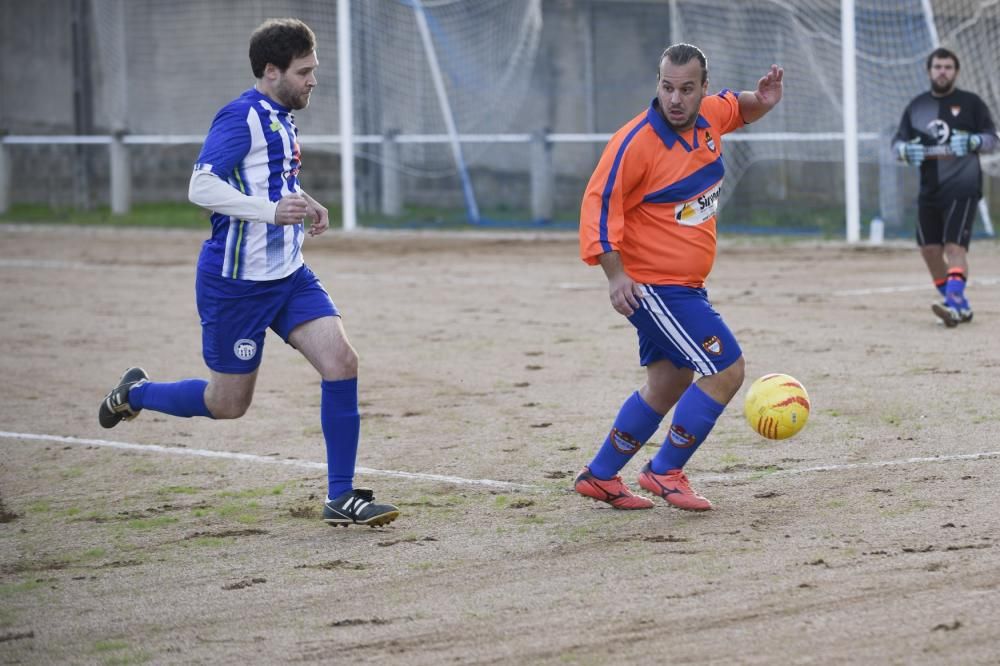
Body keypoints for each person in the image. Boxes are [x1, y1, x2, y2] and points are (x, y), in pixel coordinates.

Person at [97, 18, 399, 528]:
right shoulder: (240, 118)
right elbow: (201, 187)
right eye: (304, 72)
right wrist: (268, 211)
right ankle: (137, 392)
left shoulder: (282, 115)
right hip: (235, 284)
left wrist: (306, 202)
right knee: (227, 404)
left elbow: (272, 179)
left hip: (289, 275)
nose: (313, 81)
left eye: (314, 70)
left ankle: (341, 496)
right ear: (270, 71)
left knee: (342, 362)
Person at [574, 43, 783, 511]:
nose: (675, 99)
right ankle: (664, 470)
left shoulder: (710, 116)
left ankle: (601, 475)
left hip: (685, 287)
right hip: (655, 288)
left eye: (686, 89)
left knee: (669, 382)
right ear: (658, 85)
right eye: (667, 87)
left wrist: (762, 101)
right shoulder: (634, 143)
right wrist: (615, 275)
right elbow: (597, 205)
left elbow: (739, 107)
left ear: (702, 89)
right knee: (726, 369)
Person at [893, 47, 998, 327]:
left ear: (956, 72)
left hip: (963, 187)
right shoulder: (916, 106)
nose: (943, 71)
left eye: (948, 67)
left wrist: (975, 142)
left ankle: (952, 303)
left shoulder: (972, 103)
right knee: (929, 250)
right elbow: (897, 143)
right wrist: (904, 150)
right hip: (929, 190)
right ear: (929, 71)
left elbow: (992, 138)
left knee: (954, 247)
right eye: (938, 66)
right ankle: (957, 303)